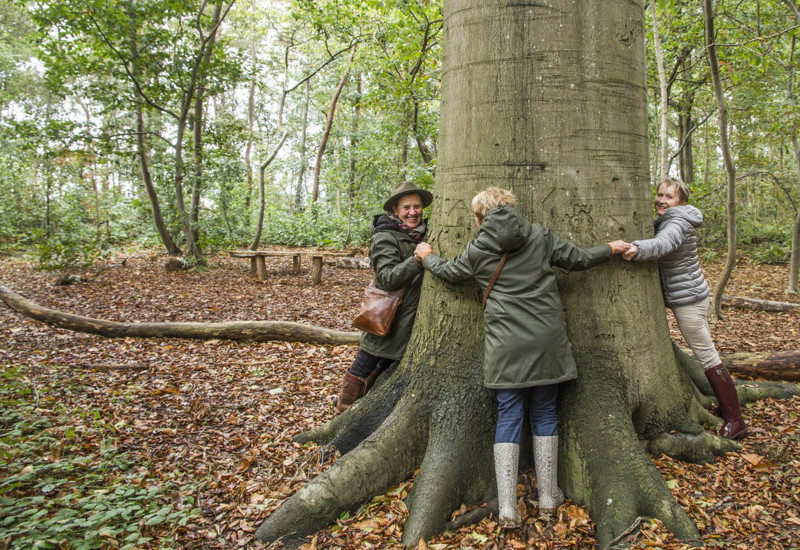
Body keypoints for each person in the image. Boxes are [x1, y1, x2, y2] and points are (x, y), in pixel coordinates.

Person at [413, 188, 630, 528]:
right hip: (547, 342)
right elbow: (578, 259)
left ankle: (508, 509)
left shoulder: (479, 248)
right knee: (545, 411)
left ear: (478, 218)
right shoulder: (539, 235)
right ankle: (547, 497)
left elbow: (451, 272)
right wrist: (612, 248)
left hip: (506, 347)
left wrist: (426, 255)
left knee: (509, 415)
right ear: (512, 210)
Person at [622, 177, 747, 440]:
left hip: (689, 301)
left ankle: (736, 420)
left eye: (669, 197)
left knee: (708, 357)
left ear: (682, 203)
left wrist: (637, 248)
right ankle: (729, 413)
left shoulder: (676, 222)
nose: (661, 200)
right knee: (707, 354)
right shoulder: (677, 218)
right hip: (690, 295)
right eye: (660, 195)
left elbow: (664, 243)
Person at [334, 180, 433, 415]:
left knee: (384, 370)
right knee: (363, 366)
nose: (413, 212)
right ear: (395, 211)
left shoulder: (424, 233)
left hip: (408, 321)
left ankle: (363, 412)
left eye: (417, 206)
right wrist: (417, 260)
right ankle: (341, 414)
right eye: (406, 207)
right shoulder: (385, 237)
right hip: (386, 319)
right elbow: (387, 278)